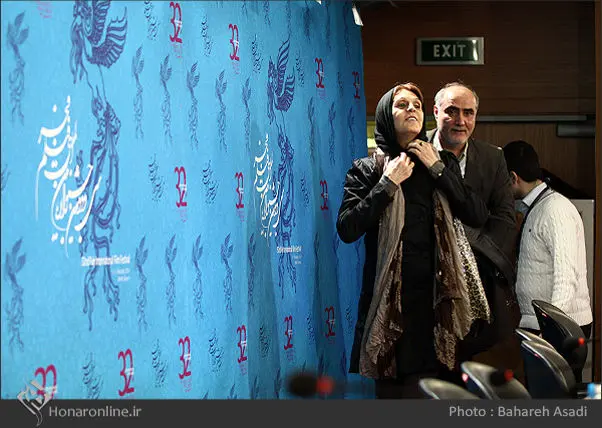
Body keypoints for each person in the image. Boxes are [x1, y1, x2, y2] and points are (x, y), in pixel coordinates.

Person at [337, 82, 491, 398]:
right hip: (390, 305)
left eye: (417, 106)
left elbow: (476, 214)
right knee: (393, 397)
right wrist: (387, 184)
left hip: (435, 306)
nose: (412, 110)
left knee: (432, 396)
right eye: (402, 105)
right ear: (385, 115)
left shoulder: (440, 162)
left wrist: (439, 169)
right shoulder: (368, 169)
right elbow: (347, 228)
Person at [426, 82, 519, 367]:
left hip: (477, 284)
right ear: (435, 111)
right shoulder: (412, 151)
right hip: (423, 284)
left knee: (467, 371)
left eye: (469, 113)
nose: (461, 121)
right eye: (452, 111)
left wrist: (463, 252)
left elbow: (505, 220)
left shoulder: (493, 158)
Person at [503, 140, 593, 338]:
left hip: (558, 328)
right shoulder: (538, 206)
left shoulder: (555, 210)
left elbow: (566, 277)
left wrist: (552, 327)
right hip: (541, 324)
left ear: (513, 177)